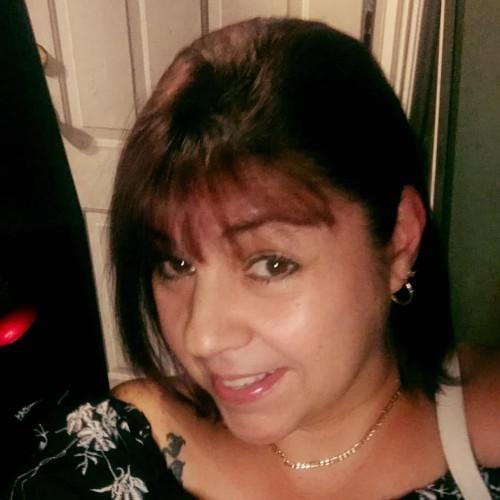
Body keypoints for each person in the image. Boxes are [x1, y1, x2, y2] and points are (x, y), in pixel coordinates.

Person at [9, 17, 500, 500]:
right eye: (176, 265)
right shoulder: (126, 446)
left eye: (271, 264)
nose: (201, 337)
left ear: (399, 241)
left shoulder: (485, 438)